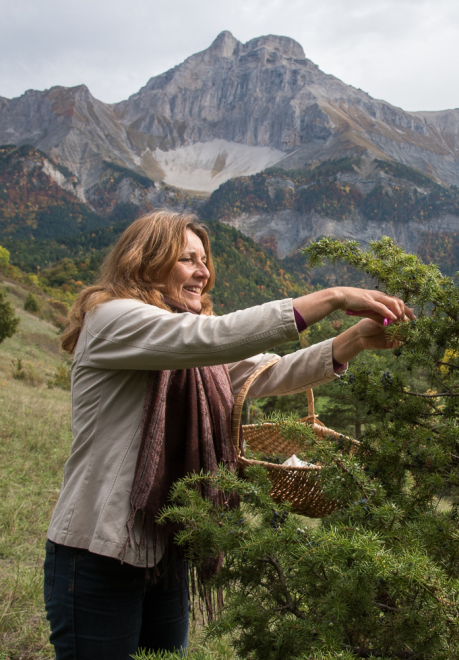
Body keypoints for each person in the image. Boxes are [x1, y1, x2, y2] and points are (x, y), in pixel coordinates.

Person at [43, 210, 413, 659]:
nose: (203, 272)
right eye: (187, 259)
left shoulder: (188, 340)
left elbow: (268, 374)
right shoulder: (114, 320)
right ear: (147, 260)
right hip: (99, 552)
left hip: (169, 546)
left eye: (205, 260)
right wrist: (333, 296)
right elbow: (215, 338)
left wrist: (353, 339)